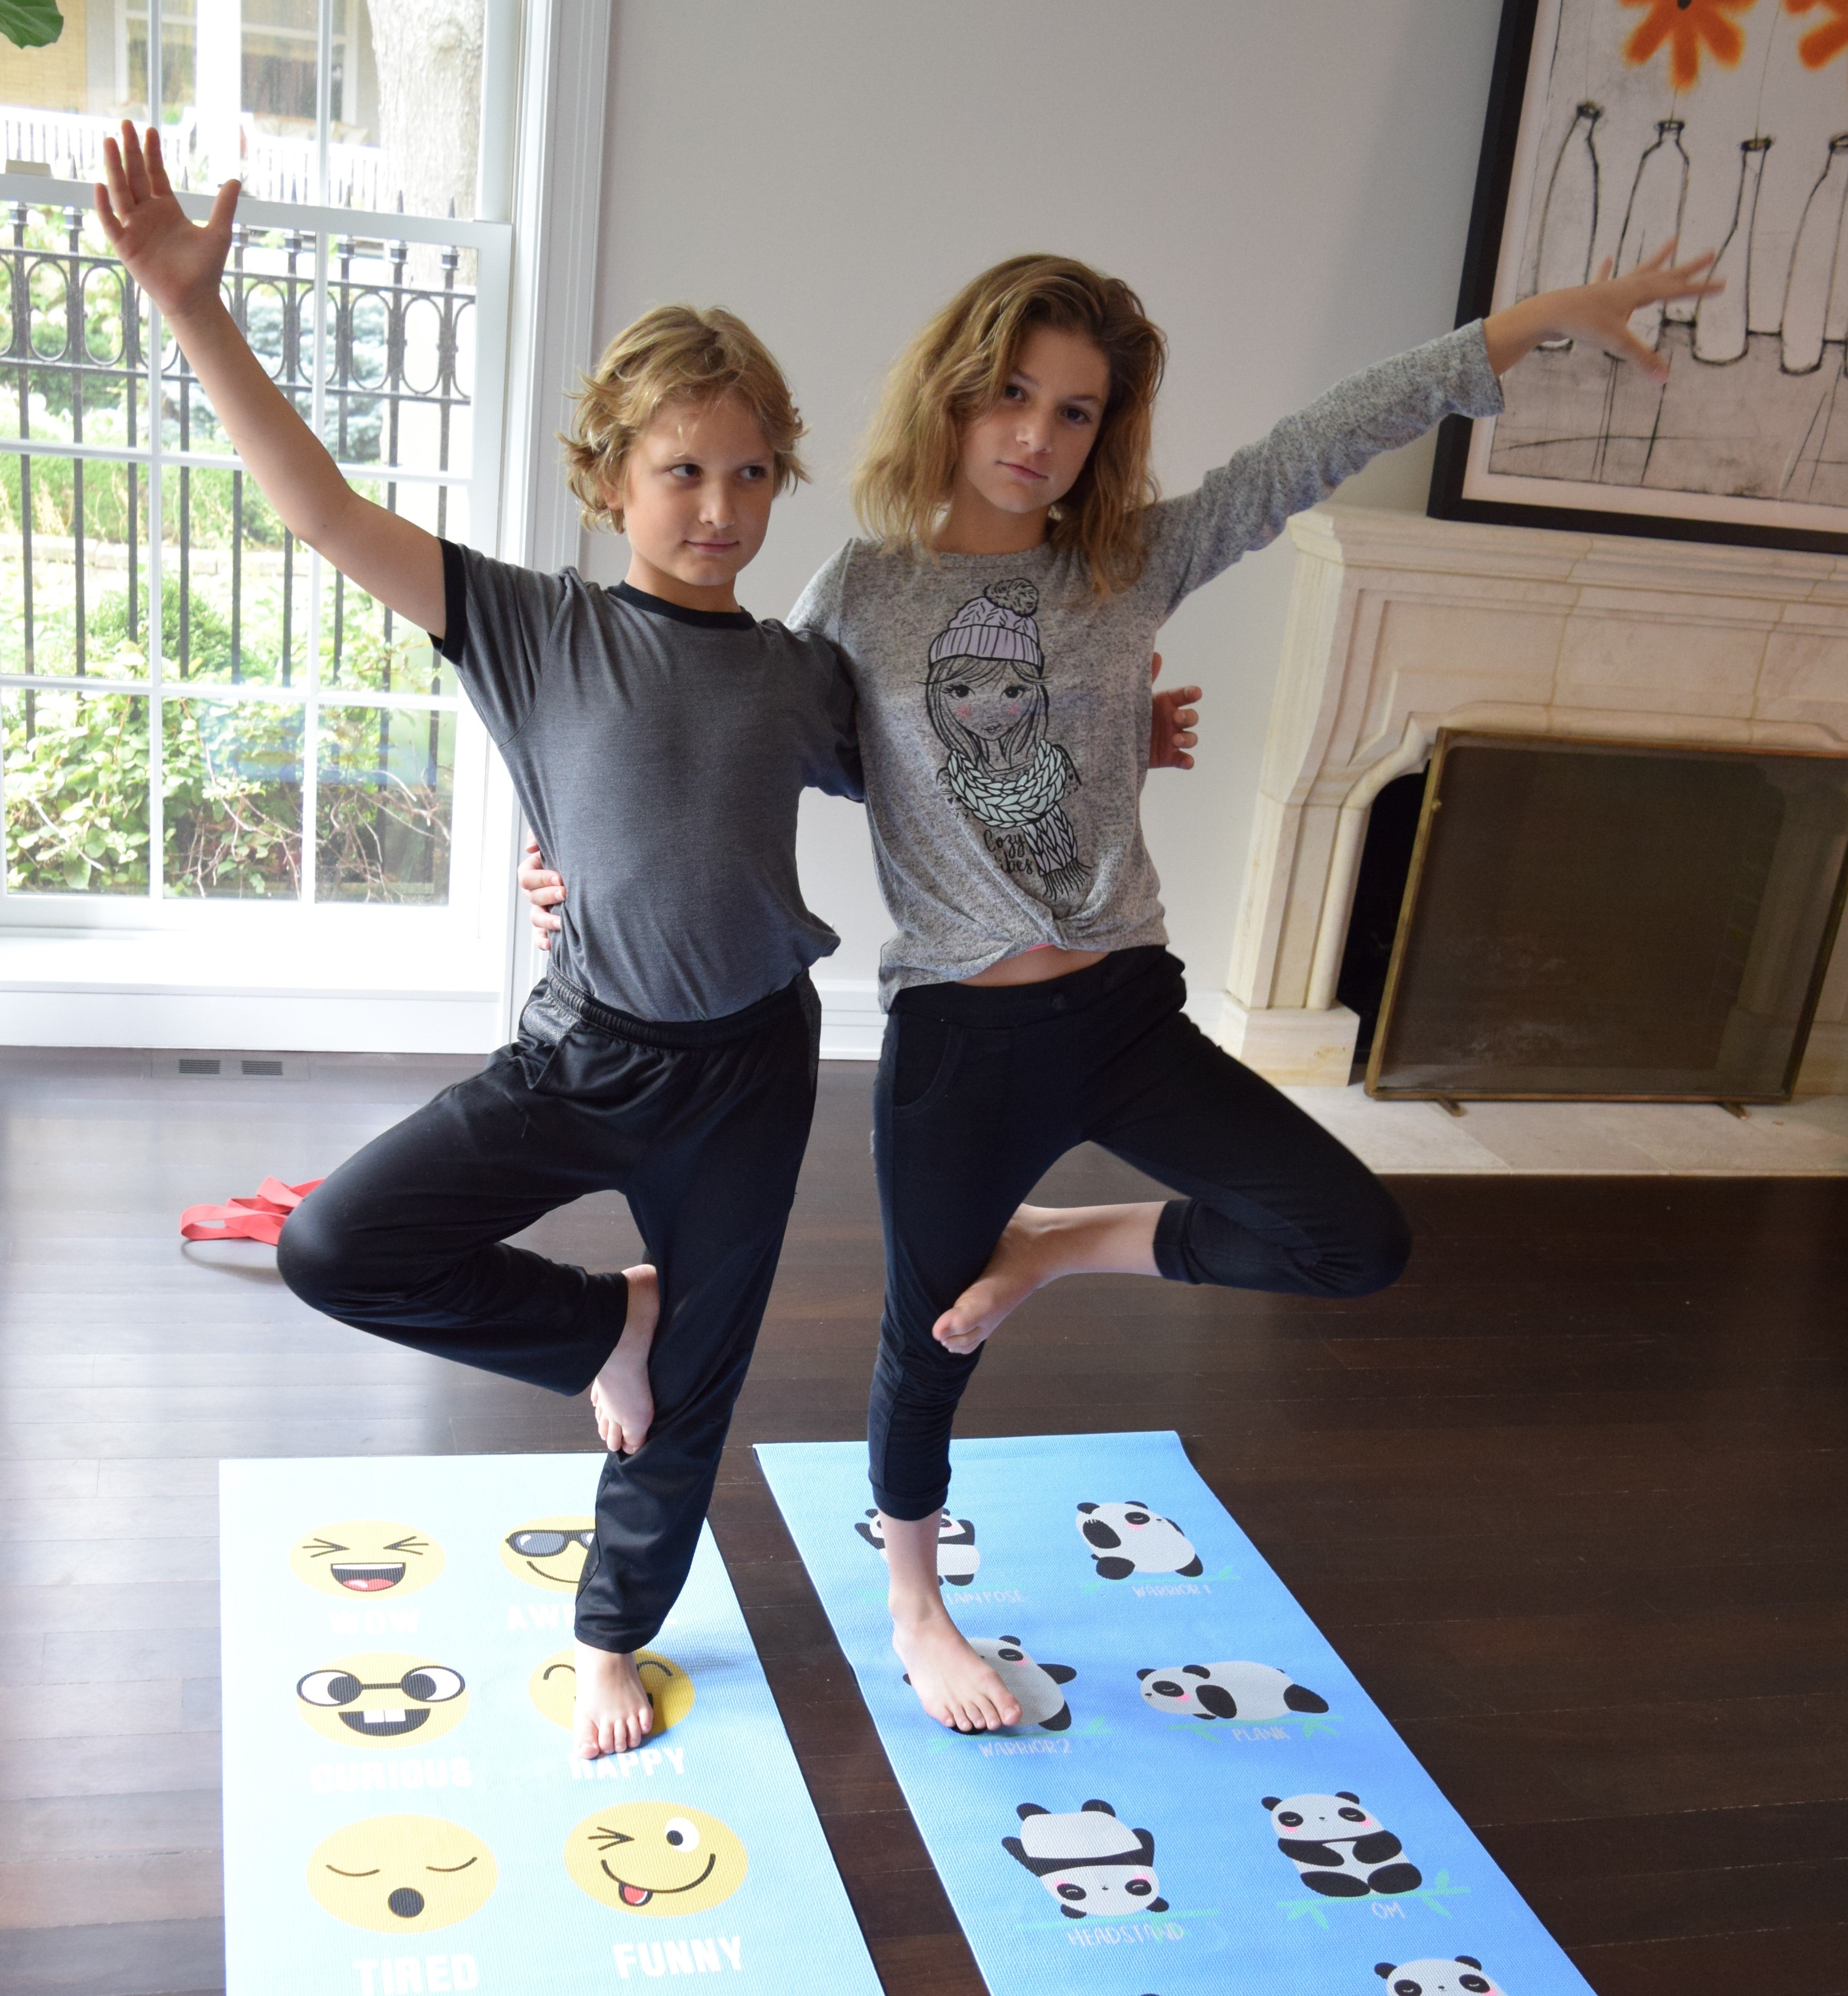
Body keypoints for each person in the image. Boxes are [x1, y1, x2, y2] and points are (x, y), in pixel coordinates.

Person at [776, 244, 1721, 1735]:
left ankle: (1055, 1249)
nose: (1038, 434)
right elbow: (804, 753)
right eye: (1014, 393)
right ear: (954, 391)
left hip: (1127, 1006)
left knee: (1353, 1239)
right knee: (928, 1334)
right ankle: (914, 1606)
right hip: (964, 1031)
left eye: (1079, 412)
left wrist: (1523, 330)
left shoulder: (1124, 558)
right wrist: (584, 873)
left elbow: (1316, 443)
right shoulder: (865, 585)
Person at [94, 120, 866, 1761]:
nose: (719, 505)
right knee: (336, 1248)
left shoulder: (799, 672)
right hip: (582, 1051)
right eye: (682, 469)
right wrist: (191, 307)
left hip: (748, 1071)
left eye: (748, 472)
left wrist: (1105, 741)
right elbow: (320, 512)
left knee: (697, 1401)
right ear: (609, 482)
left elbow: (934, 785)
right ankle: (608, 1322)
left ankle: (612, 1632)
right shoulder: (536, 623)